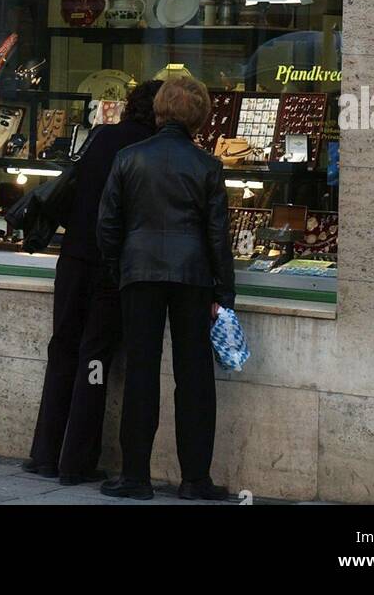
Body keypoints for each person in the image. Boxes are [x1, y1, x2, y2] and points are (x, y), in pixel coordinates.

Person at [97, 76, 234, 501]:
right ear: (199, 116)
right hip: (193, 276)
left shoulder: (128, 157)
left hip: (139, 274)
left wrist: (119, 269)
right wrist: (223, 294)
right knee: (194, 378)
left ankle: (135, 476)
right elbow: (217, 237)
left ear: (159, 109)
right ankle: (195, 479)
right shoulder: (208, 166)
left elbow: (107, 225)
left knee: (141, 371)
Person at [24, 80, 162, 485]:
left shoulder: (103, 136)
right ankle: (77, 460)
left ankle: (45, 453)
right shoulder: (148, 150)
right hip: (108, 265)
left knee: (63, 348)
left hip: (73, 257)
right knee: (95, 359)